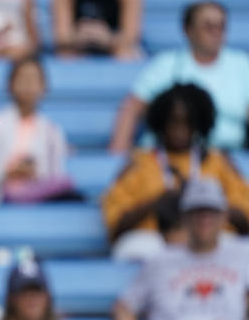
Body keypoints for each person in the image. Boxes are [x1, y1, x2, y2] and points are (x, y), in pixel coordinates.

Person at [114, 178, 249, 320]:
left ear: (224, 217)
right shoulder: (160, 260)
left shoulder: (242, 254)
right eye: (197, 212)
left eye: (211, 212)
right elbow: (126, 303)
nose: (205, 219)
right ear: (184, 217)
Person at [101, 83, 249, 262]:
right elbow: (115, 227)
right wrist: (157, 203)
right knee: (134, 249)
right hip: (154, 244)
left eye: (187, 123)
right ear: (161, 123)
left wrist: (206, 203)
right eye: (173, 122)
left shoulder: (218, 161)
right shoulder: (139, 163)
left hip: (211, 243)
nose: (180, 131)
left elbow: (245, 219)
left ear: (198, 125)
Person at [110, 0, 249, 152]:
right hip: (166, 159)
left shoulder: (242, 66)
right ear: (188, 30)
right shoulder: (165, 65)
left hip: (225, 158)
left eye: (221, 27)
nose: (216, 32)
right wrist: (116, 157)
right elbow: (132, 109)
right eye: (208, 26)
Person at [0, 56, 75, 204]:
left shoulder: (52, 131)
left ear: (44, 87)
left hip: (39, 205)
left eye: (34, 80)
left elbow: (56, 178)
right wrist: (6, 173)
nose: (28, 85)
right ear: (10, 84)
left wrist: (33, 174)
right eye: (23, 79)